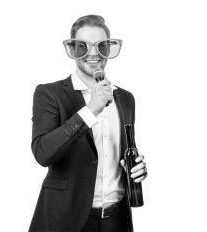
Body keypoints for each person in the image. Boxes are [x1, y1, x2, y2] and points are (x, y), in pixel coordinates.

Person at [29, 15, 148, 232]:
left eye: (101, 46)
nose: (93, 53)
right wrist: (91, 109)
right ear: (73, 49)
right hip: (67, 220)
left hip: (117, 220)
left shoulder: (125, 98)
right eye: (83, 46)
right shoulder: (49, 93)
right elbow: (43, 153)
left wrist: (137, 169)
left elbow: (123, 154)